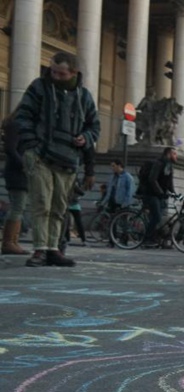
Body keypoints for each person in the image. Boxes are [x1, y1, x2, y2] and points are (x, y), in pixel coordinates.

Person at [15, 51, 100, 266]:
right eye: (53, 72)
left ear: (73, 73)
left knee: (59, 207)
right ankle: (40, 249)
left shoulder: (84, 96)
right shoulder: (39, 87)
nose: (55, 76)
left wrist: (87, 138)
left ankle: (53, 248)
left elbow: (94, 125)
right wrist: (30, 146)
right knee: (41, 202)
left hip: (68, 159)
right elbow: (23, 116)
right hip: (40, 155)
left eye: (61, 74)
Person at [1, 107, 28, 255]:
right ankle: (9, 242)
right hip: (17, 172)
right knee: (17, 206)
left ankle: (13, 241)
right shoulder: (16, 124)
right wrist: (24, 165)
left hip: (19, 172)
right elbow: (11, 149)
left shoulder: (19, 124)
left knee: (19, 206)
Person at [139, 146, 177, 247]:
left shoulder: (169, 166)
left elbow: (169, 183)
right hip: (151, 194)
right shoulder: (159, 163)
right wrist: (160, 192)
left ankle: (156, 238)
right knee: (157, 217)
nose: (176, 156)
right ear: (168, 154)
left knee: (157, 218)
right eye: (174, 154)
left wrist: (174, 193)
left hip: (159, 195)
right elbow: (152, 179)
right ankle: (147, 239)